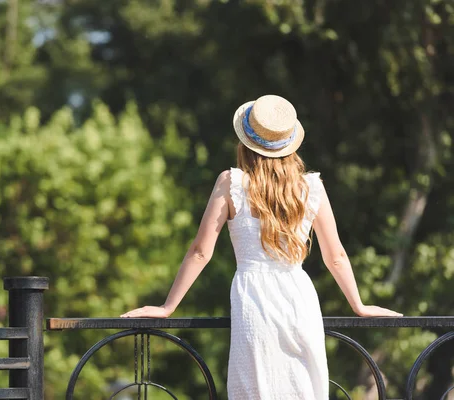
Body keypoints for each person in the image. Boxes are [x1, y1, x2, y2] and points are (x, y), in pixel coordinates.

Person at [121, 94, 402, 399]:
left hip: (253, 298)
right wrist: (358, 304)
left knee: (256, 387)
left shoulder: (231, 184)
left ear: (245, 142)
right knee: (303, 388)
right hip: (299, 297)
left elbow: (200, 251)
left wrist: (167, 306)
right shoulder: (311, 187)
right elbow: (336, 256)